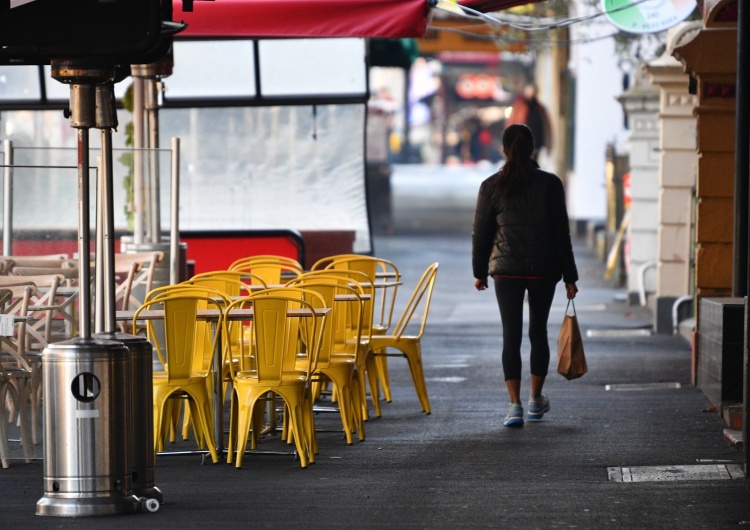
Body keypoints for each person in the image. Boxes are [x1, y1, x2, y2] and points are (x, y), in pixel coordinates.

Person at [471, 124, 578, 428]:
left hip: (506, 272)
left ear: (503, 149)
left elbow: (482, 234)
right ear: (533, 150)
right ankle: (535, 400)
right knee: (538, 332)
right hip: (544, 271)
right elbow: (562, 235)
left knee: (511, 335)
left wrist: (480, 272)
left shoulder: (491, 186)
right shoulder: (550, 184)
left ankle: (513, 406)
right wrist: (570, 276)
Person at [506, 84, 552, 160]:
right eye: (529, 91)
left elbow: (547, 127)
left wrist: (549, 144)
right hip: (522, 142)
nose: (531, 93)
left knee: (533, 162)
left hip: (537, 142)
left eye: (533, 91)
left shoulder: (540, 108)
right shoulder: (519, 107)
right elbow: (511, 123)